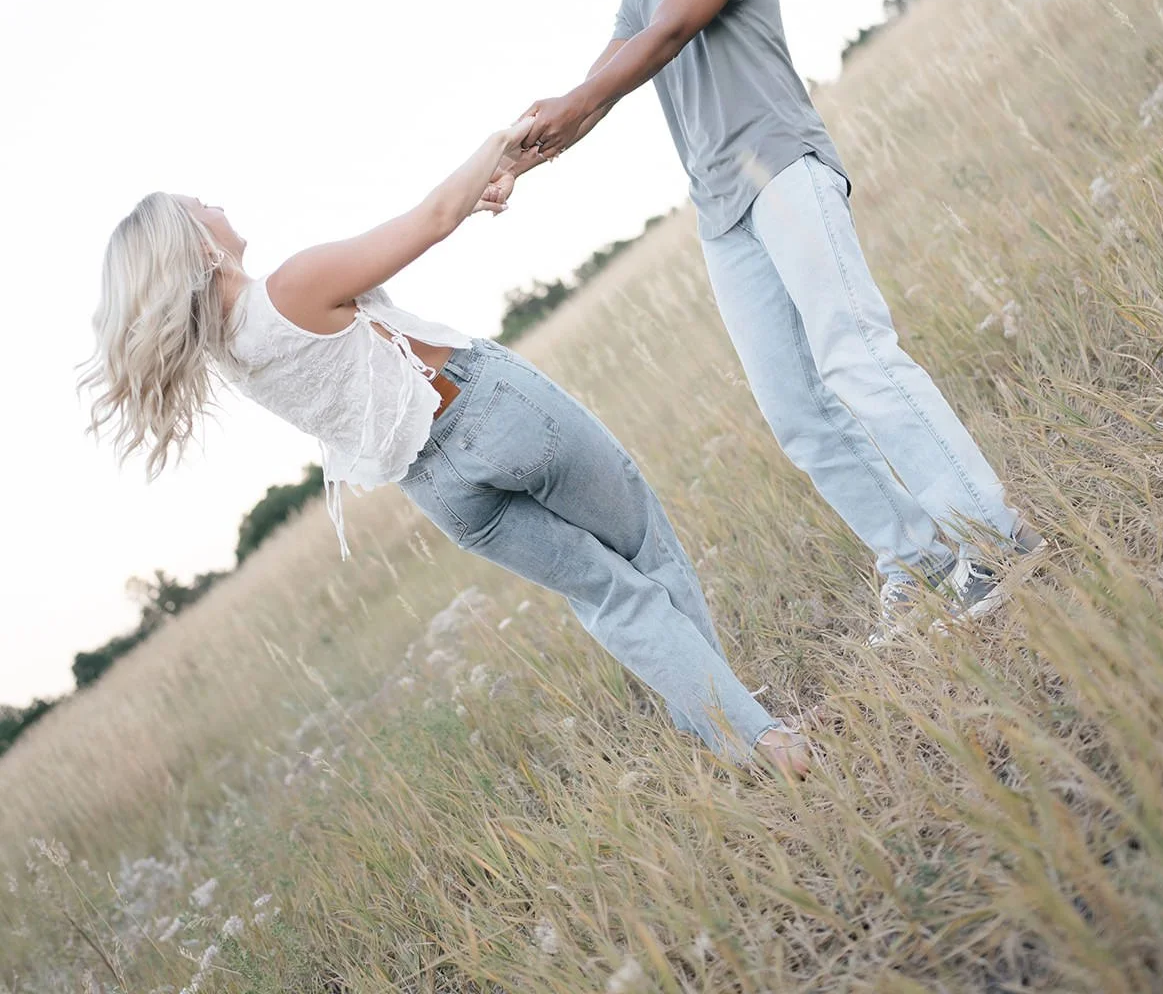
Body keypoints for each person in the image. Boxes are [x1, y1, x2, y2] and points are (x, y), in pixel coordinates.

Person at [81, 119, 809, 773]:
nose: (211, 201)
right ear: (198, 246)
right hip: (491, 410)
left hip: (439, 489)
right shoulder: (292, 285)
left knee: (609, 597)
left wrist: (473, 189)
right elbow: (430, 220)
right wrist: (500, 140)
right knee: (647, 549)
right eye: (196, 205)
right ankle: (763, 738)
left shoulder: (232, 354)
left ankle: (744, 739)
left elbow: (419, 237)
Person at [513, 0, 1044, 645]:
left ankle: (991, 537)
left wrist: (573, 105)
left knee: (856, 357)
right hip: (721, 213)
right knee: (795, 411)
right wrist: (524, 153)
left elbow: (671, 34)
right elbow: (600, 88)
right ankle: (917, 560)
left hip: (780, 167)